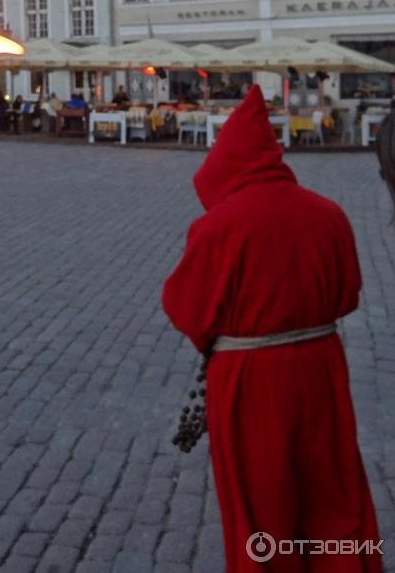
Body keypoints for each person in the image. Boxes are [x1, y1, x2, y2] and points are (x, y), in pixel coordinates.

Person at [162, 85, 382, 572]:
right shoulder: (329, 214)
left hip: (249, 380)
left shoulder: (217, 228)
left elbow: (187, 308)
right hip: (321, 370)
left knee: (260, 504)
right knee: (331, 488)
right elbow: (347, 295)